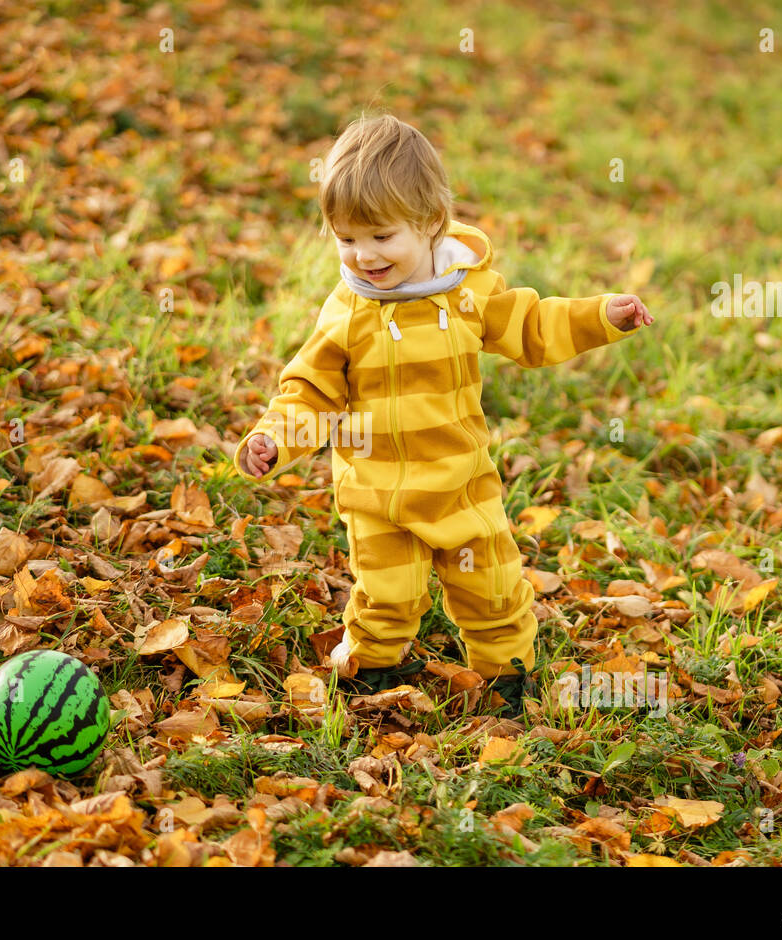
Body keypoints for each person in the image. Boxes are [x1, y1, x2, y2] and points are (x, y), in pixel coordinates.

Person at [233, 112, 656, 718]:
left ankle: (506, 679)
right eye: (347, 238)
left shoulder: (465, 290)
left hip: (461, 485)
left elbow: (533, 326)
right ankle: (373, 672)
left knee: (491, 586)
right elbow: (311, 391)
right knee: (385, 597)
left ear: (431, 223)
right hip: (378, 492)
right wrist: (275, 438)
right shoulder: (349, 311)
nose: (363, 255)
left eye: (382, 237)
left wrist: (600, 317)